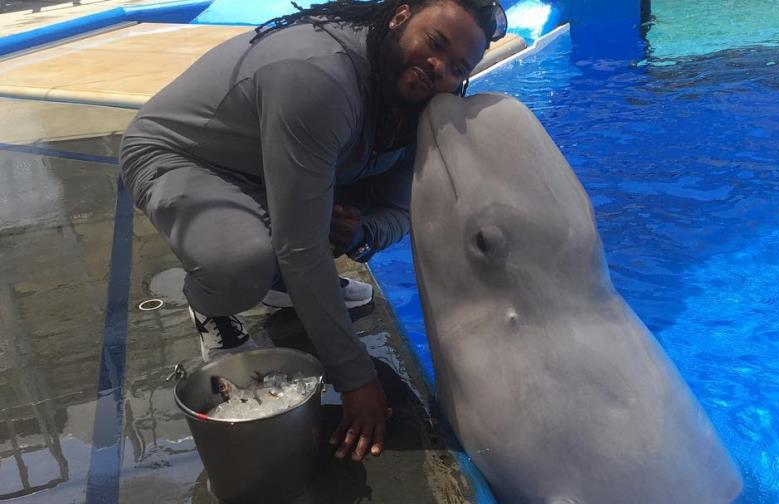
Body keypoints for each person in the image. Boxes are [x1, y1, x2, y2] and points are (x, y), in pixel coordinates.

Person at [119, 0, 506, 462]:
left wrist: (362, 232)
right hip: (187, 158)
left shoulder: (415, 100)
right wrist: (356, 378)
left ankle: (282, 286)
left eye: (456, 66)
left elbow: (402, 210)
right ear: (401, 17)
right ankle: (211, 306)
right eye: (434, 42)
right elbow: (301, 246)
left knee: (309, 223)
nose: (437, 66)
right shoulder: (318, 76)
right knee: (241, 264)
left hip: (275, 170)